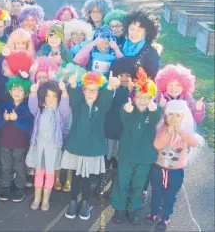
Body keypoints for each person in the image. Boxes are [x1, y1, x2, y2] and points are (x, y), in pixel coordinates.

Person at [62, 70, 120, 221]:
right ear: (83, 90)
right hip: (76, 147)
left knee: (88, 179)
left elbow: (107, 99)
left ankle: (86, 203)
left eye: (94, 90)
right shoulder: (78, 104)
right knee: (75, 177)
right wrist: (73, 84)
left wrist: (110, 87)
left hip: (92, 148)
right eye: (88, 89)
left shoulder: (101, 107)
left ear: (98, 92)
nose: (90, 93)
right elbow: (74, 96)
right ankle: (73, 202)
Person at [112, 68, 162, 225]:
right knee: (122, 181)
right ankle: (119, 208)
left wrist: (155, 108)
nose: (142, 101)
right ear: (134, 97)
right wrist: (126, 110)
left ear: (151, 98)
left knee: (138, 184)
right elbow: (123, 118)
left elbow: (156, 117)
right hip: (127, 155)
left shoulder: (154, 111)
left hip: (145, 157)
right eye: (140, 97)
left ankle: (133, 209)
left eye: (147, 98)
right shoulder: (128, 109)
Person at [145, 100, 204, 231]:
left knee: (170, 195)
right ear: (165, 115)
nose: (174, 118)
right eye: (171, 114)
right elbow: (157, 146)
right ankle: (154, 213)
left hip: (175, 171)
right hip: (158, 168)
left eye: (178, 115)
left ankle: (165, 217)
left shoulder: (185, 131)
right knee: (156, 192)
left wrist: (181, 132)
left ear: (183, 116)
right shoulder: (161, 128)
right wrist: (167, 133)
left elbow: (194, 143)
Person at [26, 79, 71, 211]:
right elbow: (32, 107)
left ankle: (45, 200)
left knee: (50, 174)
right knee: (39, 173)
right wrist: (33, 93)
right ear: (43, 97)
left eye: (54, 96)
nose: (51, 99)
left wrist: (64, 92)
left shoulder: (60, 112)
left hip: (52, 149)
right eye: (47, 96)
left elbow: (65, 107)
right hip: (39, 147)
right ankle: (37, 198)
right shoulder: (40, 110)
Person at [0, 76, 34, 203]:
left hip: (20, 144)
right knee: (5, 165)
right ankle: (5, 187)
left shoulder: (27, 107)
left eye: (21, 90)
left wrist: (16, 120)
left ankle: (19, 187)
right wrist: (5, 118)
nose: (17, 92)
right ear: (10, 92)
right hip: (5, 142)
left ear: (26, 92)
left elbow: (28, 126)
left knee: (19, 166)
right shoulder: (5, 106)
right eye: (14, 89)